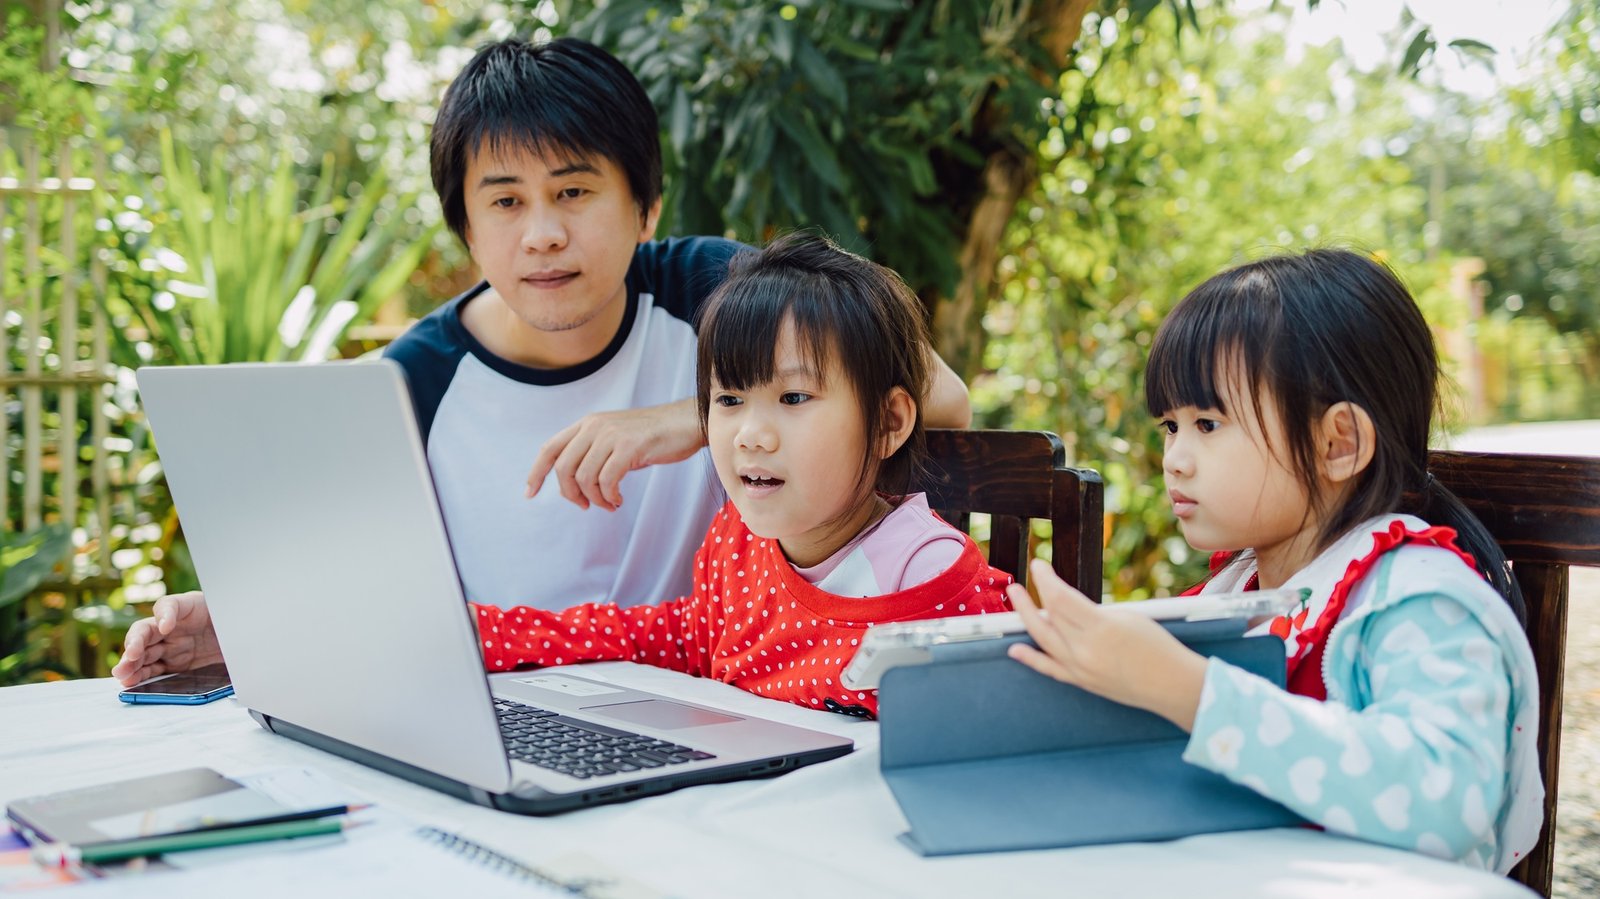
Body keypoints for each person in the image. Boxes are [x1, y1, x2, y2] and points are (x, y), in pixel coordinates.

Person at [114, 37, 971, 688]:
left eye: (573, 191)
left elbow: (943, 394)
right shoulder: (409, 381)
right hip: (508, 701)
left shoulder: (713, 292)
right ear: (466, 228)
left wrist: (690, 418)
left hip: (720, 697)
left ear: (645, 207)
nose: (544, 233)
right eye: (506, 201)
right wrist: (246, 623)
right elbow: (342, 578)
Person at [1007, 249, 1542, 871]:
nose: (1175, 459)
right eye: (1169, 428)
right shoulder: (1239, 587)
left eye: (1207, 424)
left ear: (1336, 442)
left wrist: (1188, 690)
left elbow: (1448, 804)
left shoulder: (1417, 598)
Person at [470, 233, 1012, 718]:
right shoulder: (736, 543)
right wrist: (494, 635)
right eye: (728, 398)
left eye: (794, 397)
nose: (750, 434)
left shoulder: (927, 572)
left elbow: (995, 728)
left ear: (888, 422)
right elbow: (683, 639)